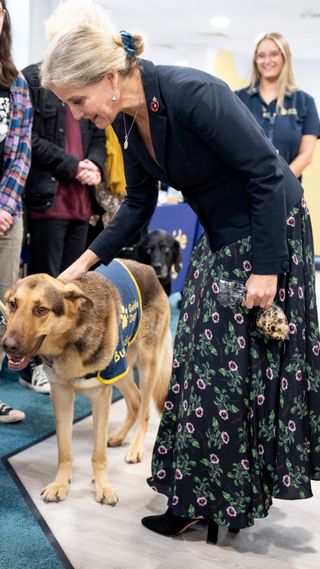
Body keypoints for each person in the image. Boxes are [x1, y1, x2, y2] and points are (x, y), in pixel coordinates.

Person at [40, 15, 320, 541]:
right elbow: (138, 204)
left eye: (77, 101)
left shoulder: (193, 92)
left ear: (106, 77)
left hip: (269, 229)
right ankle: (196, 498)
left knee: (238, 367)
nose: (78, 114)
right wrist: (80, 267)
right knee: (198, 359)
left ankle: (229, 500)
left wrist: (266, 267)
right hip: (220, 234)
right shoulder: (125, 118)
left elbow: (264, 171)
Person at [19, 5, 107, 393]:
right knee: (41, 289)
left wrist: (96, 166)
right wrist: (74, 165)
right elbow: (28, 141)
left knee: (73, 290)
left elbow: (101, 135)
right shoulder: (33, 79)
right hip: (48, 199)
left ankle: (66, 361)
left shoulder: (89, 82)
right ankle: (32, 366)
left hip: (82, 203)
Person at [0, 0, 32, 423]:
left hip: (6, 215)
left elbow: (21, 152)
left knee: (3, 307)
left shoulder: (16, 83)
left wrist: (5, 207)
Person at [235, 32, 320, 179]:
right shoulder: (237, 99)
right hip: (245, 189)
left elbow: (306, 155)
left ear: (286, 57)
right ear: (255, 60)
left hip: (287, 193)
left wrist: (280, 183)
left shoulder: (304, 102)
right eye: (261, 55)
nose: (267, 61)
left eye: (274, 54)